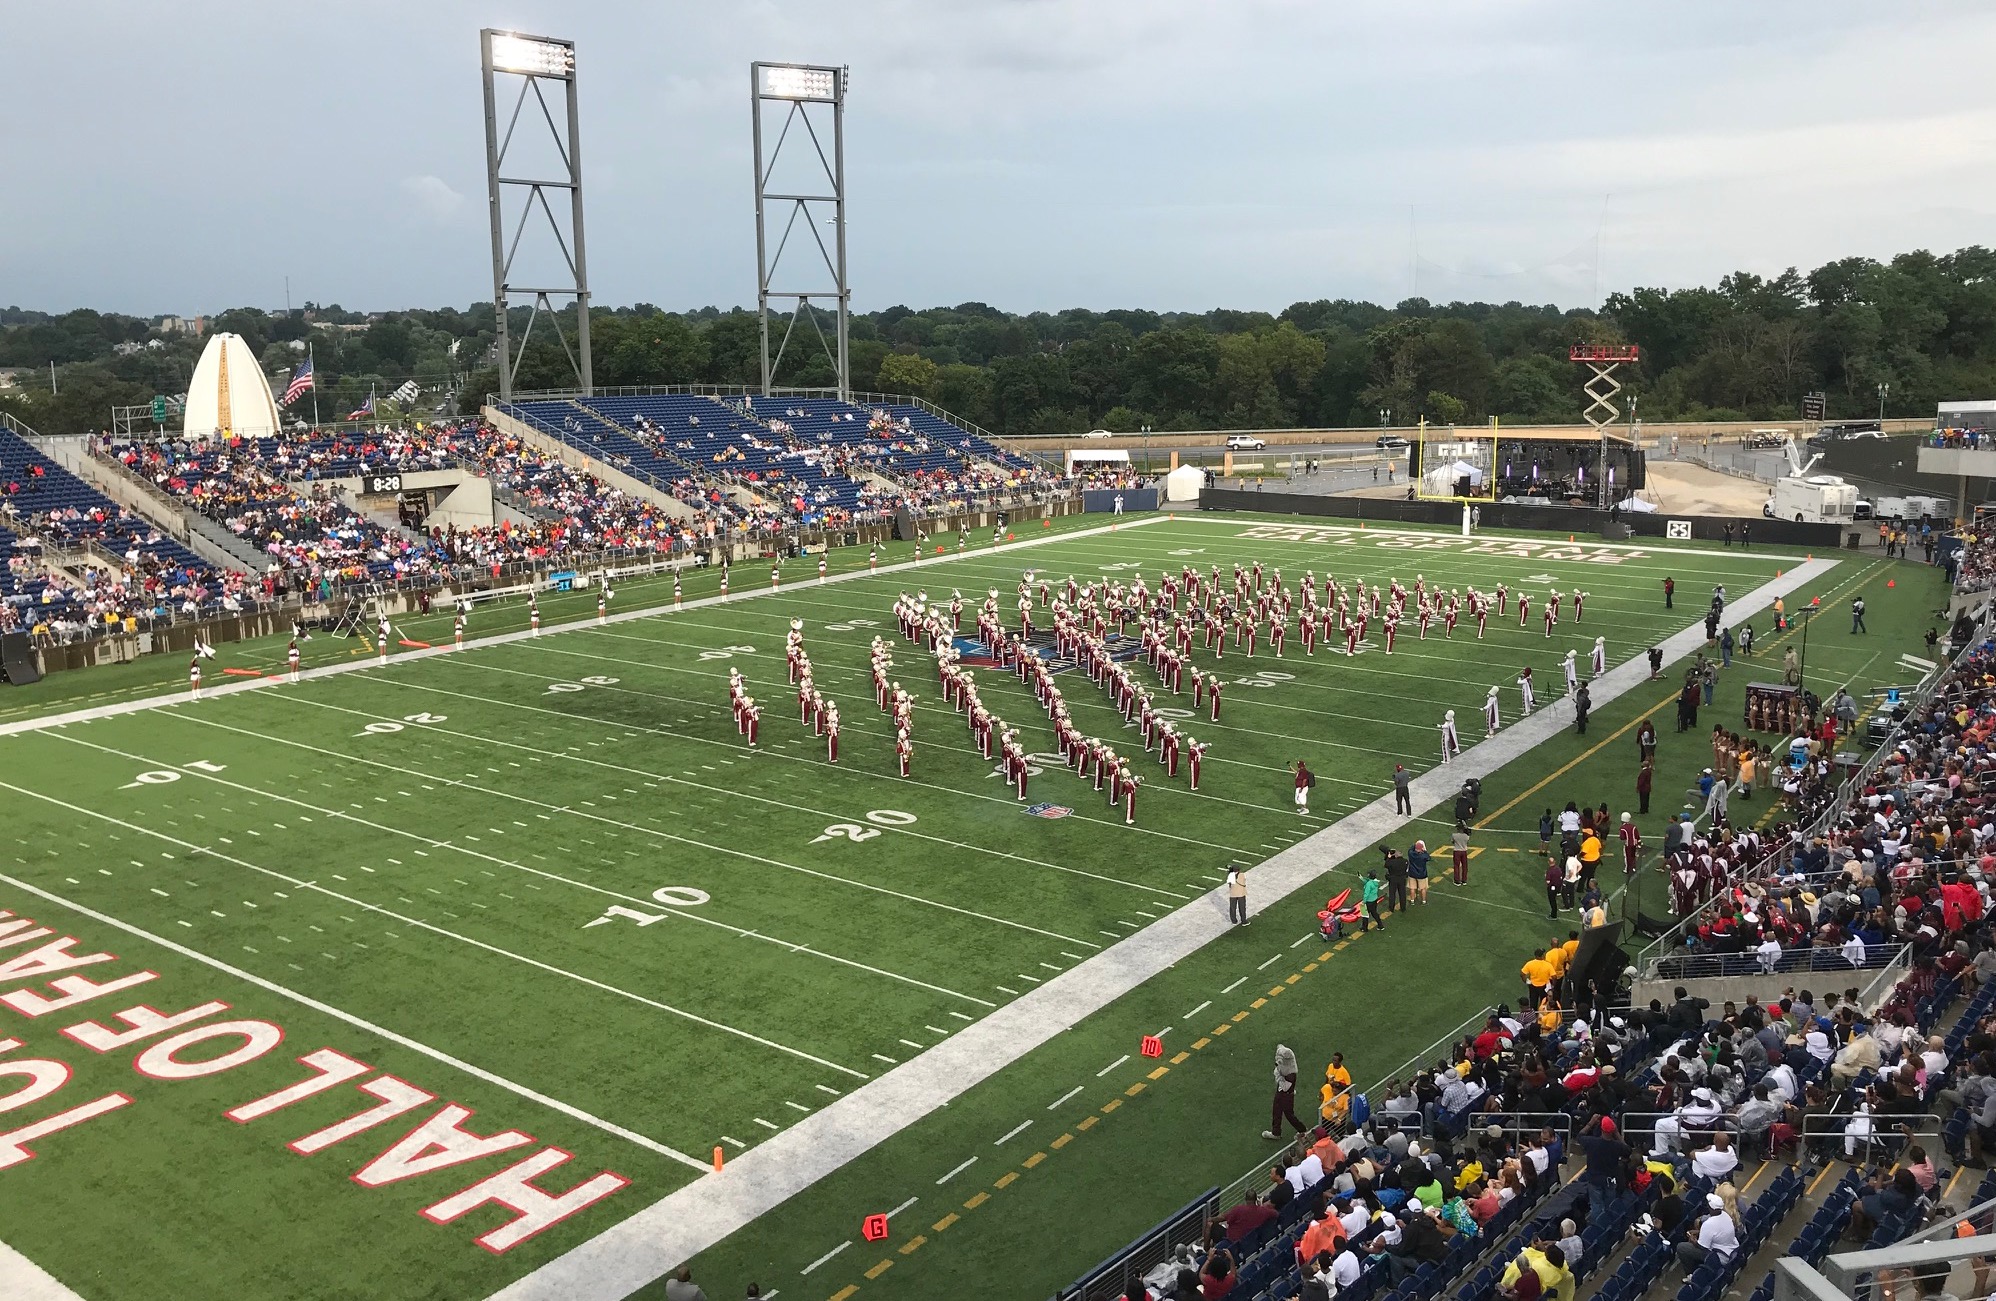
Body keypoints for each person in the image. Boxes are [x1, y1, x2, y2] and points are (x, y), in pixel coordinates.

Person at [1676, 1192, 1739, 1273]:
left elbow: (1702, 1246)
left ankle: (1691, 1274)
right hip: (1730, 1249)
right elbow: (1717, 1232)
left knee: (1681, 1247)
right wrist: (1699, 1232)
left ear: (1711, 1208)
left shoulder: (1708, 1224)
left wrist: (1692, 1239)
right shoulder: (1725, 1215)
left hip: (1720, 1257)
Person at [1264, 1043, 1310, 1140]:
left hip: (1286, 1095)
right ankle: (1276, 1132)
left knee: (1289, 1114)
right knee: (1276, 1110)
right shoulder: (1285, 1068)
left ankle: (1302, 1129)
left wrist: (1277, 1075)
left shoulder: (1291, 1075)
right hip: (1281, 1092)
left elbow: (1285, 1087)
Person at [1406, 839, 1431, 905]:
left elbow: (1410, 849)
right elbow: (1429, 858)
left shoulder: (1411, 853)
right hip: (1422, 874)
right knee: (1423, 888)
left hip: (1412, 873)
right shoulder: (1423, 856)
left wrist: (1415, 844)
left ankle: (1412, 900)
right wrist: (1424, 851)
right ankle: (1423, 901)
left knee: (1412, 888)